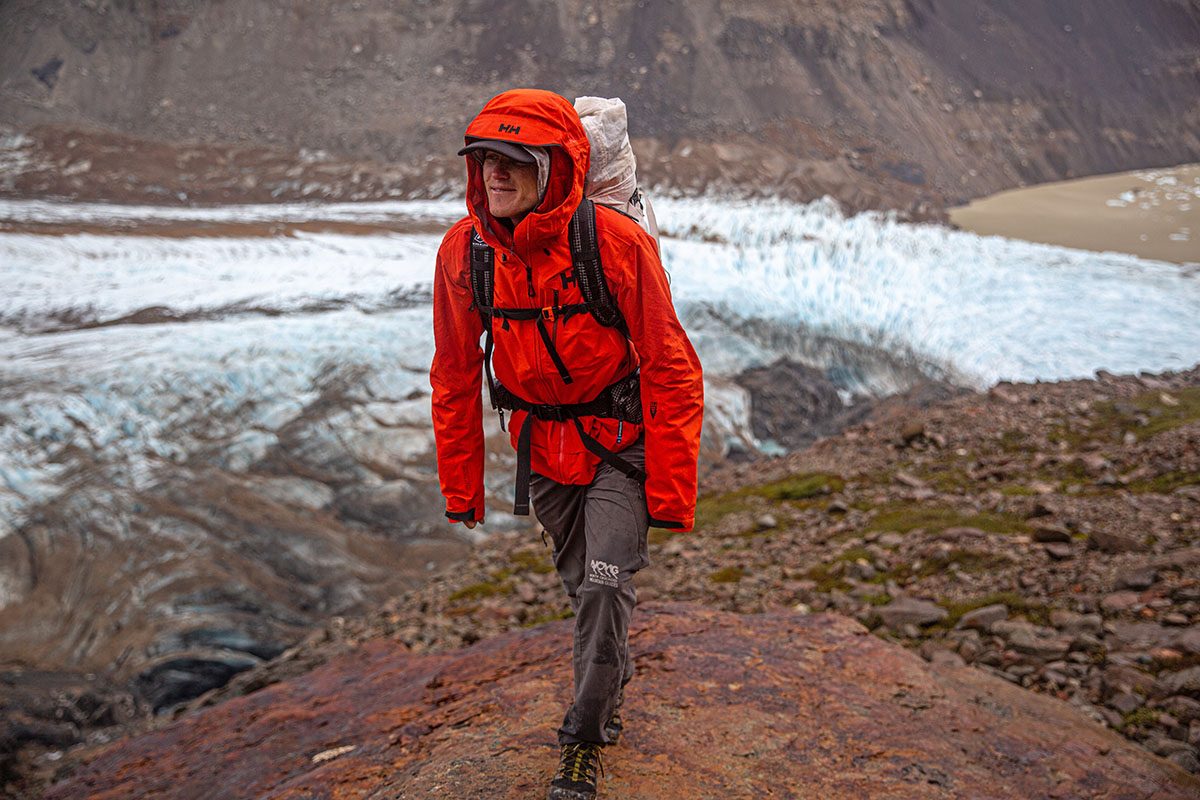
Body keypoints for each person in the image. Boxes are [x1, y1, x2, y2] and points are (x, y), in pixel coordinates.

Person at [430, 88, 703, 800]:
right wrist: (462, 486)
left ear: (553, 168)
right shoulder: (466, 252)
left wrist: (670, 491)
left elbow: (672, 366)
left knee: (605, 589)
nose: (494, 172)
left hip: (620, 443)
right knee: (584, 587)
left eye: (513, 160)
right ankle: (608, 672)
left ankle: (582, 744)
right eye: (485, 158)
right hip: (543, 450)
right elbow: (454, 371)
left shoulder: (615, 244)